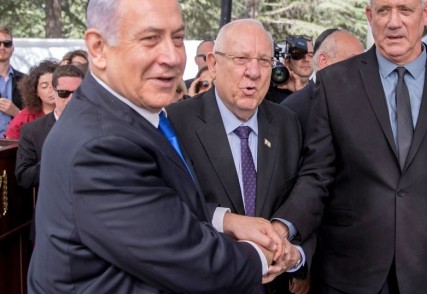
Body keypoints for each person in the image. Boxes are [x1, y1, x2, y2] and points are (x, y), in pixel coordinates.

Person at [27, 1, 288, 293]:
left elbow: (165, 209)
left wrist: (224, 221)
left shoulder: (133, 115)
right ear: (98, 48)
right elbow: (191, 262)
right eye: (150, 39)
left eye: (177, 38)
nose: (172, 57)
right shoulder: (101, 146)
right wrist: (261, 256)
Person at [271, 0, 427, 293]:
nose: (393, 22)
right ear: (369, 15)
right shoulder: (335, 83)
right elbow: (316, 177)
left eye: (405, 10)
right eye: (384, 10)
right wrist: (282, 227)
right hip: (345, 276)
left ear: (425, 12)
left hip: (426, 276)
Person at [167, 19, 304, 294]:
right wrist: (226, 221)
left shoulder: (288, 124)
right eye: (241, 58)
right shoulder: (175, 123)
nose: (253, 72)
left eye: (264, 61)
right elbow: (163, 207)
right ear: (213, 65)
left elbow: (303, 198)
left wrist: (298, 254)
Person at [281, 28, 364, 137]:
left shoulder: (363, 105)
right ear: (323, 61)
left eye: (362, 62)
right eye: (353, 61)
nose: (361, 69)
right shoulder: (291, 111)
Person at [16, 64, 84, 190]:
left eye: (77, 93)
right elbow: (24, 178)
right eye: (64, 93)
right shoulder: (32, 131)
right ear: (53, 91)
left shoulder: (97, 126)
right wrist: (55, 156)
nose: (71, 99)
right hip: (51, 205)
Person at [5, 59, 58, 139]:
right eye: (44, 86)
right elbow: (8, 145)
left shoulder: (72, 113)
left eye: (55, 84)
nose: (51, 89)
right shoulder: (25, 117)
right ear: (35, 91)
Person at [0, 26, 25, 137]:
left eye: (7, 43)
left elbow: (34, 117)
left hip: (16, 145)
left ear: (13, 48)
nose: (2, 47)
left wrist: (17, 113)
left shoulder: (26, 80)